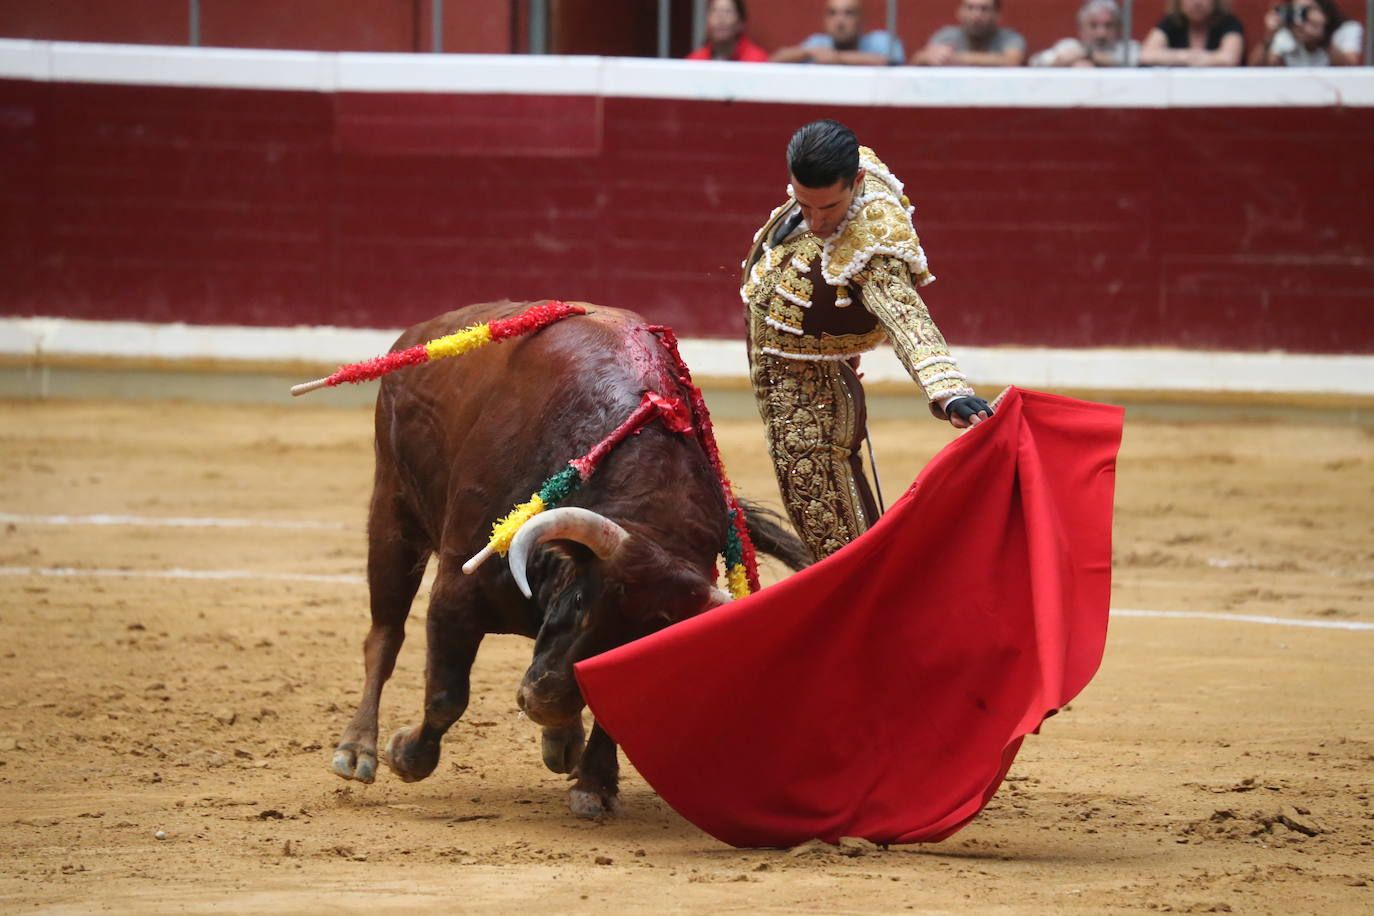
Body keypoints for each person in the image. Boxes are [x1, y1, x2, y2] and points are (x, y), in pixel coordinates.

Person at [740, 120, 992, 561]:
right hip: (795, 361)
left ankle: (867, 613)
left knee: (832, 531)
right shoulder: (850, 168)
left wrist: (949, 391)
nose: (816, 223)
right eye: (804, 205)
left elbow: (904, 315)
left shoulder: (874, 241)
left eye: (829, 209)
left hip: (812, 389)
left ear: (856, 183)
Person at [770, 0, 906, 66]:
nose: (839, 22)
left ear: (861, 20)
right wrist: (807, 53)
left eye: (848, 13)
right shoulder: (818, 43)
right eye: (832, 14)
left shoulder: (880, 41)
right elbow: (776, 59)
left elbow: (892, 60)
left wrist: (837, 58)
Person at [912, 0, 1028, 66]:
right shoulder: (946, 35)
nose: (976, 16)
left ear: (997, 15)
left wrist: (959, 58)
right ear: (959, 12)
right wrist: (923, 58)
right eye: (970, 8)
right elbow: (923, 59)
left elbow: (1012, 61)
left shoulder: (1010, 38)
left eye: (984, 9)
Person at [1249, 0, 1364, 65]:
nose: (1302, 17)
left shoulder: (1347, 29)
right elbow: (1259, 66)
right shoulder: (1286, 34)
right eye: (1297, 10)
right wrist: (1270, 35)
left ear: (1325, 11)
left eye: (1307, 10)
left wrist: (1323, 40)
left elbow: (1350, 66)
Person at [1030, 0, 1141, 66]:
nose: (1101, 33)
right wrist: (1062, 63)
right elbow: (1036, 62)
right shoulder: (1070, 46)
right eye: (1093, 25)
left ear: (1118, 28)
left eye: (1109, 25)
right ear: (1081, 28)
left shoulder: (1129, 49)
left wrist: (1088, 55)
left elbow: (1134, 63)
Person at [1139, 0, 1245, 65]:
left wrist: (1171, 58)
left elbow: (1229, 59)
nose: (1197, 2)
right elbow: (1145, 54)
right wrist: (1185, 56)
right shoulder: (1172, 22)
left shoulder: (1229, 23)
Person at [686, 0, 770, 62]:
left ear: (740, 23)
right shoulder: (695, 61)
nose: (720, 18)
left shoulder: (757, 61)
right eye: (715, 11)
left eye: (728, 12)